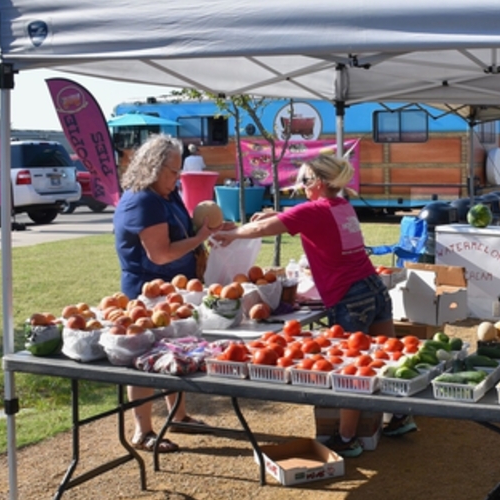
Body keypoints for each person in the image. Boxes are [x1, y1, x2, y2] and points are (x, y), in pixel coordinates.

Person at [212, 155, 415, 457]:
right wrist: (275, 213)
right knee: (387, 358)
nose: (301, 187)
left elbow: (260, 231)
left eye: (305, 181)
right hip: (373, 287)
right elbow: (304, 218)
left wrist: (230, 234)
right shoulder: (342, 205)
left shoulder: (312, 210)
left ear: (319, 183)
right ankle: (400, 417)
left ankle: (347, 438)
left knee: (352, 371)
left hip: (349, 295)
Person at [113, 134, 229, 453]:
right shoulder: (142, 200)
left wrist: (216, 229)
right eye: (173, 171)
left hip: (175, 292)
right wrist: (201, 238)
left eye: (179, 172)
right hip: (147, 293)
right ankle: (143, 431)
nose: (177, 178)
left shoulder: (166, 195)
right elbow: (160, 254)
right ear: (154, 167)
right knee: (141, 360)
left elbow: (186, 231)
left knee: (174, 354)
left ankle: (178, 416)